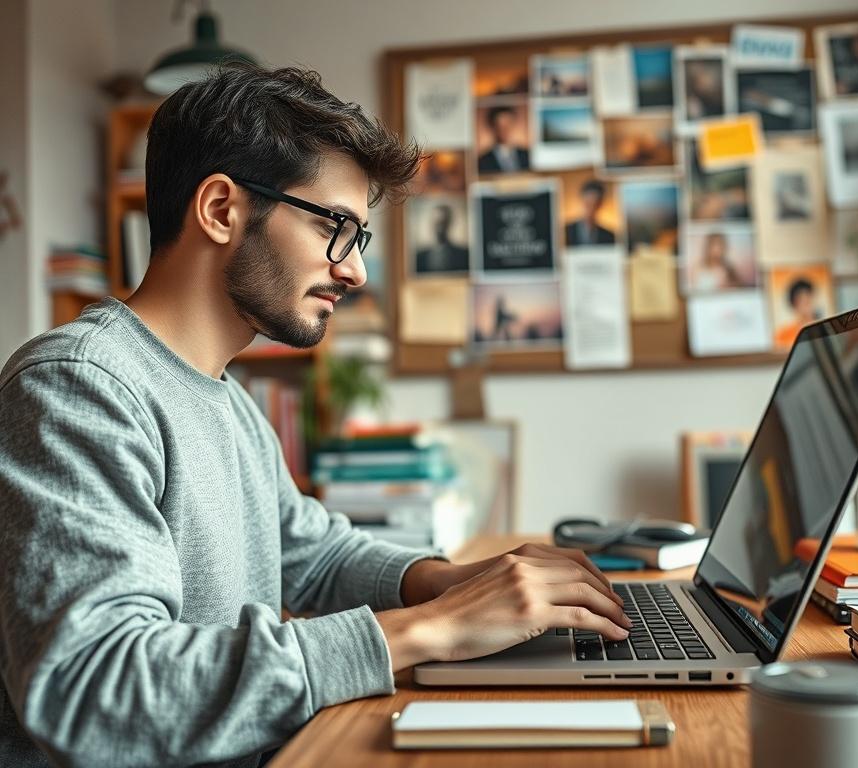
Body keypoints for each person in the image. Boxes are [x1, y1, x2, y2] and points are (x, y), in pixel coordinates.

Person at [0, 64, 629, 768]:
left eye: (358, 238)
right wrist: (431, 629)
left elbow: (316, 555)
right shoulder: (78, 388)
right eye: (336, 226)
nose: (354, 270)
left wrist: (453, 582)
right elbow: (93, 689)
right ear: (220, 209)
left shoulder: (228, 401)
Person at [415, 203, 469, 273]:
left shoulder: (463, 255)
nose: (440, 228)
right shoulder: (419, 257)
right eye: (437, 223)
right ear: (431, 224)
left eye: (443, 223)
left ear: (449, 224)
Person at [477, 105, 530, 174]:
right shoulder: (483, 161)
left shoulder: (527, 155)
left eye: (508, 124)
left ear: (514, 125)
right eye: (501, 125)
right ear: (493, 127)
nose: (505, 129)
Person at [564, 179, 616, 246]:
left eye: (594, 205)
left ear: (600, 205)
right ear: (582, 201)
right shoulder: (565, 232)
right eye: (588, 204)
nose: (591, 209)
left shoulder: (609, 236)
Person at [774, 277, 821, 348]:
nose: (806, 304)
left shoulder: (824, 328)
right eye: (801, 300)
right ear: (794, 304)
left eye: (808, 299)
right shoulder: (783, 334)